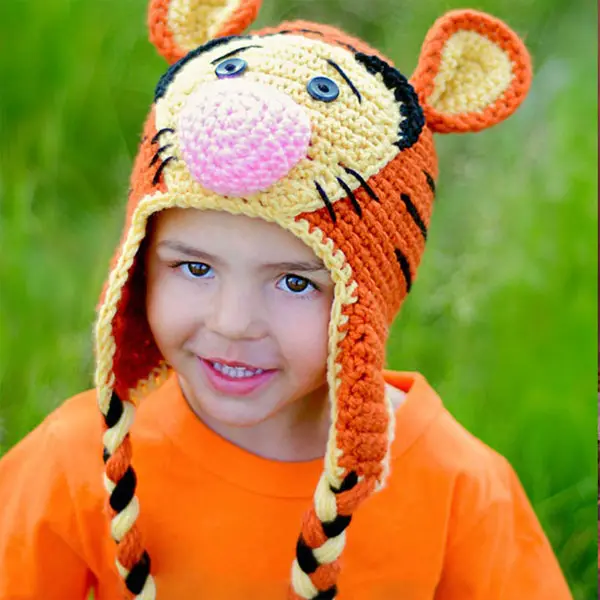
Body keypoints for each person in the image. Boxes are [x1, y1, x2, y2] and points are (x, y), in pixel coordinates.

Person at [0, 1, 573, 599]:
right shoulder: (72, 464)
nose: (232, 323)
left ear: (369, 301)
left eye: (294, 281)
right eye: (194, 267)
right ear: (139, 264)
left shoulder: (457, 488)